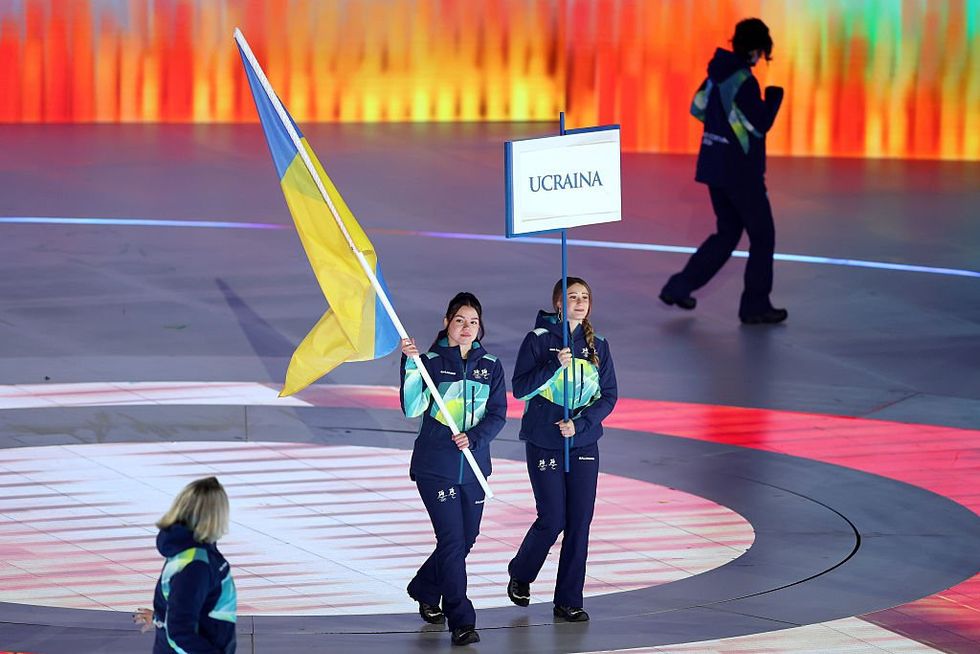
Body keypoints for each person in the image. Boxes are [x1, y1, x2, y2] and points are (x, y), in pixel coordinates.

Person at [660, 17, 788, 324]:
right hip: (740, 171)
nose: (761, 59)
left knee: (727, 233)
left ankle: (679, 286)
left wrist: (724, 126)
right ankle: (755, 305)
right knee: (763, 236)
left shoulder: (717, 73)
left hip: (714, 166)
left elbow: (698, 107)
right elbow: (760, 123)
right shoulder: (743, 81)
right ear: (756, 49)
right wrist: (774, 98)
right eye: (761, 52)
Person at [507, 277, 617, 622]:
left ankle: (568, 599)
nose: (580, 302)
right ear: (558, 303)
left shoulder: (598, 344)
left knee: (580, 522)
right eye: (572, 297)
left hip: (583, 442)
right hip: (545, 441)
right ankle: (521, 572)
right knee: (554, 518)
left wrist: (581, 425)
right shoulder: (539, 341)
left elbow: (609, 395)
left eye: (585, 297)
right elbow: (520, 390)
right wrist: (555, 364)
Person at [400, 291, 506, 646]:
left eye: (473, 322)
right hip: (436, 467)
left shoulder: (490, 365)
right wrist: (412, 366)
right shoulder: (429, 361)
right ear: (446, 323)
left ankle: (424, 587)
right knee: (451, 540)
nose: (466, 327)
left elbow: (498, 414)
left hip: (475, 467)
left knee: (466, 539)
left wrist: (474, 438)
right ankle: (461, 618)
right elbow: (412, 408)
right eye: (460, 320)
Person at [134, 476, 237, 654]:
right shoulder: (197, 565)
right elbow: (180, 632)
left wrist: (161, 617)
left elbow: (180, 610)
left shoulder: (186, 553)